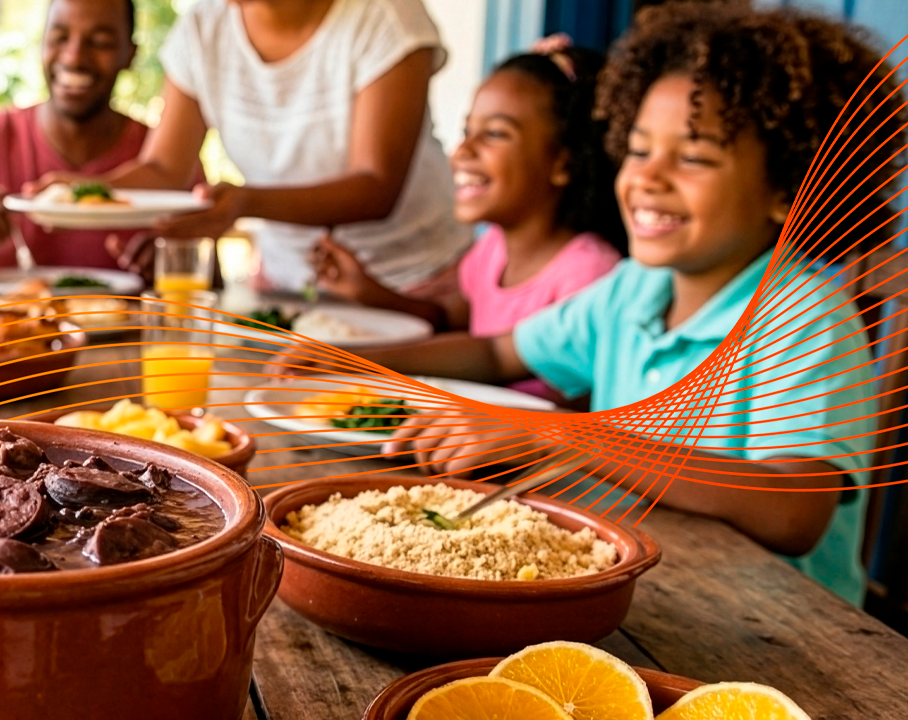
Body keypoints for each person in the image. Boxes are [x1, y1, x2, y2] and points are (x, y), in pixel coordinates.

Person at [303, 3, 902, 604]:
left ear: (787, 188)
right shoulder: (635, 287)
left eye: (692, 157)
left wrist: (559, 434)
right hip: (657, 586)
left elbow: (792, 512)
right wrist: (350, 358)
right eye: (638, 150)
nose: (647, 177)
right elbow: (496, 351)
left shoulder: (806, 315)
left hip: (782, 631)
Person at [36, 0, 469, 297]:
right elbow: (164, 166)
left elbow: (376, 187)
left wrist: (243, 202)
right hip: (286, 283)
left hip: (411, 283)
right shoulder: (204, 26)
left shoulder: (385, 16)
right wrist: (84, 193)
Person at [309, 36, 626, 402]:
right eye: (466, 131)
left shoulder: (589, 273)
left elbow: (582, 412)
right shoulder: (491, 249)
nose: (463, 151)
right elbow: (448, 321)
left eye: (494, 134)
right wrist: (366, 291)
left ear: (562, 163)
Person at [0, 0, 204, 286]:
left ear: (129, 54)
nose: (73, 57)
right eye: (59, 37)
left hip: (128, 355)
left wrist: (172, 259)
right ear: (41, 43)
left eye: (99, 42)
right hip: (6, 355)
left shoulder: (169, 156)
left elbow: (211, 280)